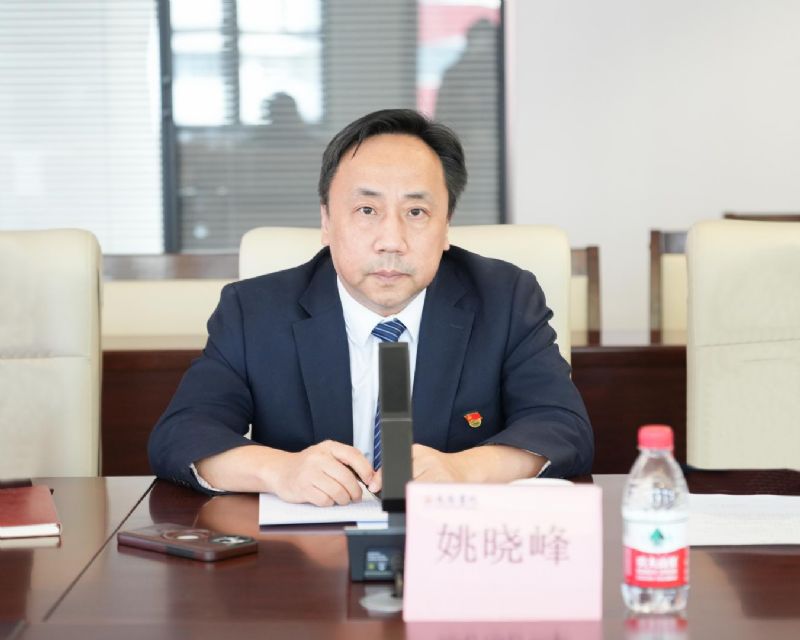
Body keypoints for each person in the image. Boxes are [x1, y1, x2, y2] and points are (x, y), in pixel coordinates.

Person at [148, 109, 593, 504]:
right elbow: (181, 433)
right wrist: (280, 470)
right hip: (306, 555)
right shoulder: (255, 311)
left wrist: (465, 469)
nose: (391, 241)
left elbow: (562, 426)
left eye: (416, 213)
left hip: (450, 547)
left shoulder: (504, 298)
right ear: (326, 221)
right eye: (366, 210)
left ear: (446, 227)